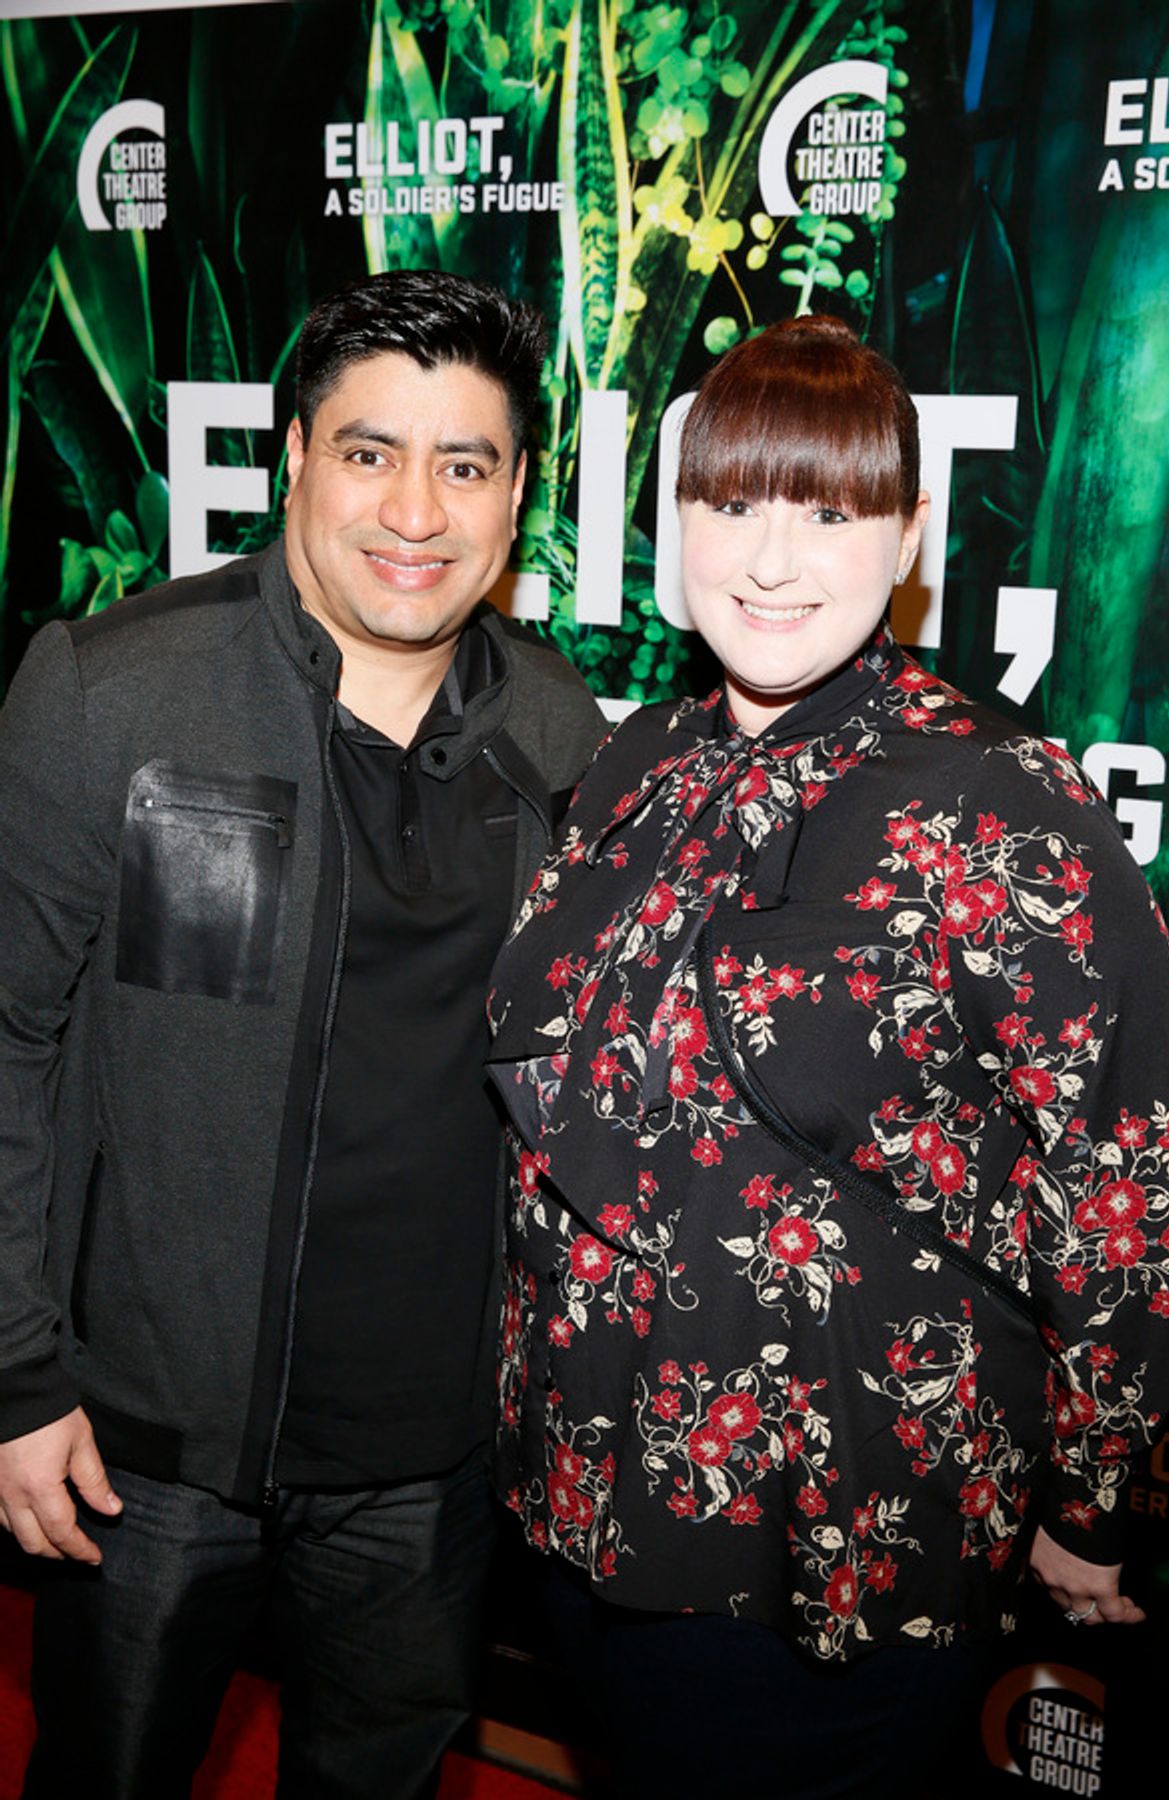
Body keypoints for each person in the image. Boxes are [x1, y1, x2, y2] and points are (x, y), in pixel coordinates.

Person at [485, 316, 1169, 1797]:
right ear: (672, 519)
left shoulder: (1002, 805)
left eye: (828, 510)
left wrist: (1094, 1499)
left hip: (837, 1554)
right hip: (583, 1513)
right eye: (730, 502)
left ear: (910, 536)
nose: (770, 558)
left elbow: (1128, 1183)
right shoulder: (637, 762)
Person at [0, 268, 604, 1798]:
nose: (416, 510)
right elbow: (3, 1039)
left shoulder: (560, 731)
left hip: (430, 1467)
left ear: (518, 492)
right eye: (367, 451)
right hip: (146, 1451)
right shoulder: (112, 692)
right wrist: (17, 1377)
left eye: (464, 465)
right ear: (290, 457)